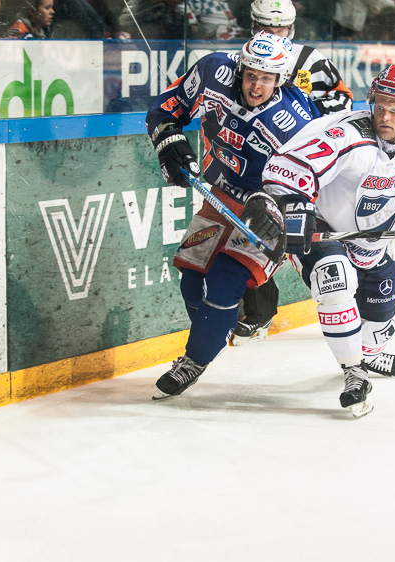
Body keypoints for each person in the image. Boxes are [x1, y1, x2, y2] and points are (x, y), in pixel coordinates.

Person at [261, 65, 395, 418]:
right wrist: (295, 205)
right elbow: (289, 169)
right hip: (325, 229)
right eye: (380, 104)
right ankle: (354, 373)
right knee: (335, 283)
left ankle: (369, 356)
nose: (386, 115)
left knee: (379, 319)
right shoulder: (346, 134)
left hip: (371, 245)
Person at [146, 32, 322, 400]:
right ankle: (214, 332)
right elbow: (166, 108)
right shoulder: (213, 71)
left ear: (282, 79)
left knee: (225, 282)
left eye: (267, 78)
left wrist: (289, 213)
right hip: (220, 193)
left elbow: (319, 178)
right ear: (240, 68)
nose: (257, 86)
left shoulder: (298, 120)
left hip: (267, 210)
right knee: (192, 280)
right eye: (251, 74)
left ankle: (193, 361)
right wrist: (168, 140)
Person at [232, 0, 354, 346]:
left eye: (281, 29)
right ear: (253, 25)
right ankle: (259, 315)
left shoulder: (311, 61)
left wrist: (307, 119)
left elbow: (343, 102)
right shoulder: (244, 59)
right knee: (253, 238)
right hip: (255, 165)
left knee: (308, 241)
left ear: (293, 29)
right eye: (266, 28)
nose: (273, 34)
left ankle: (343, 300)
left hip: (303, 170)